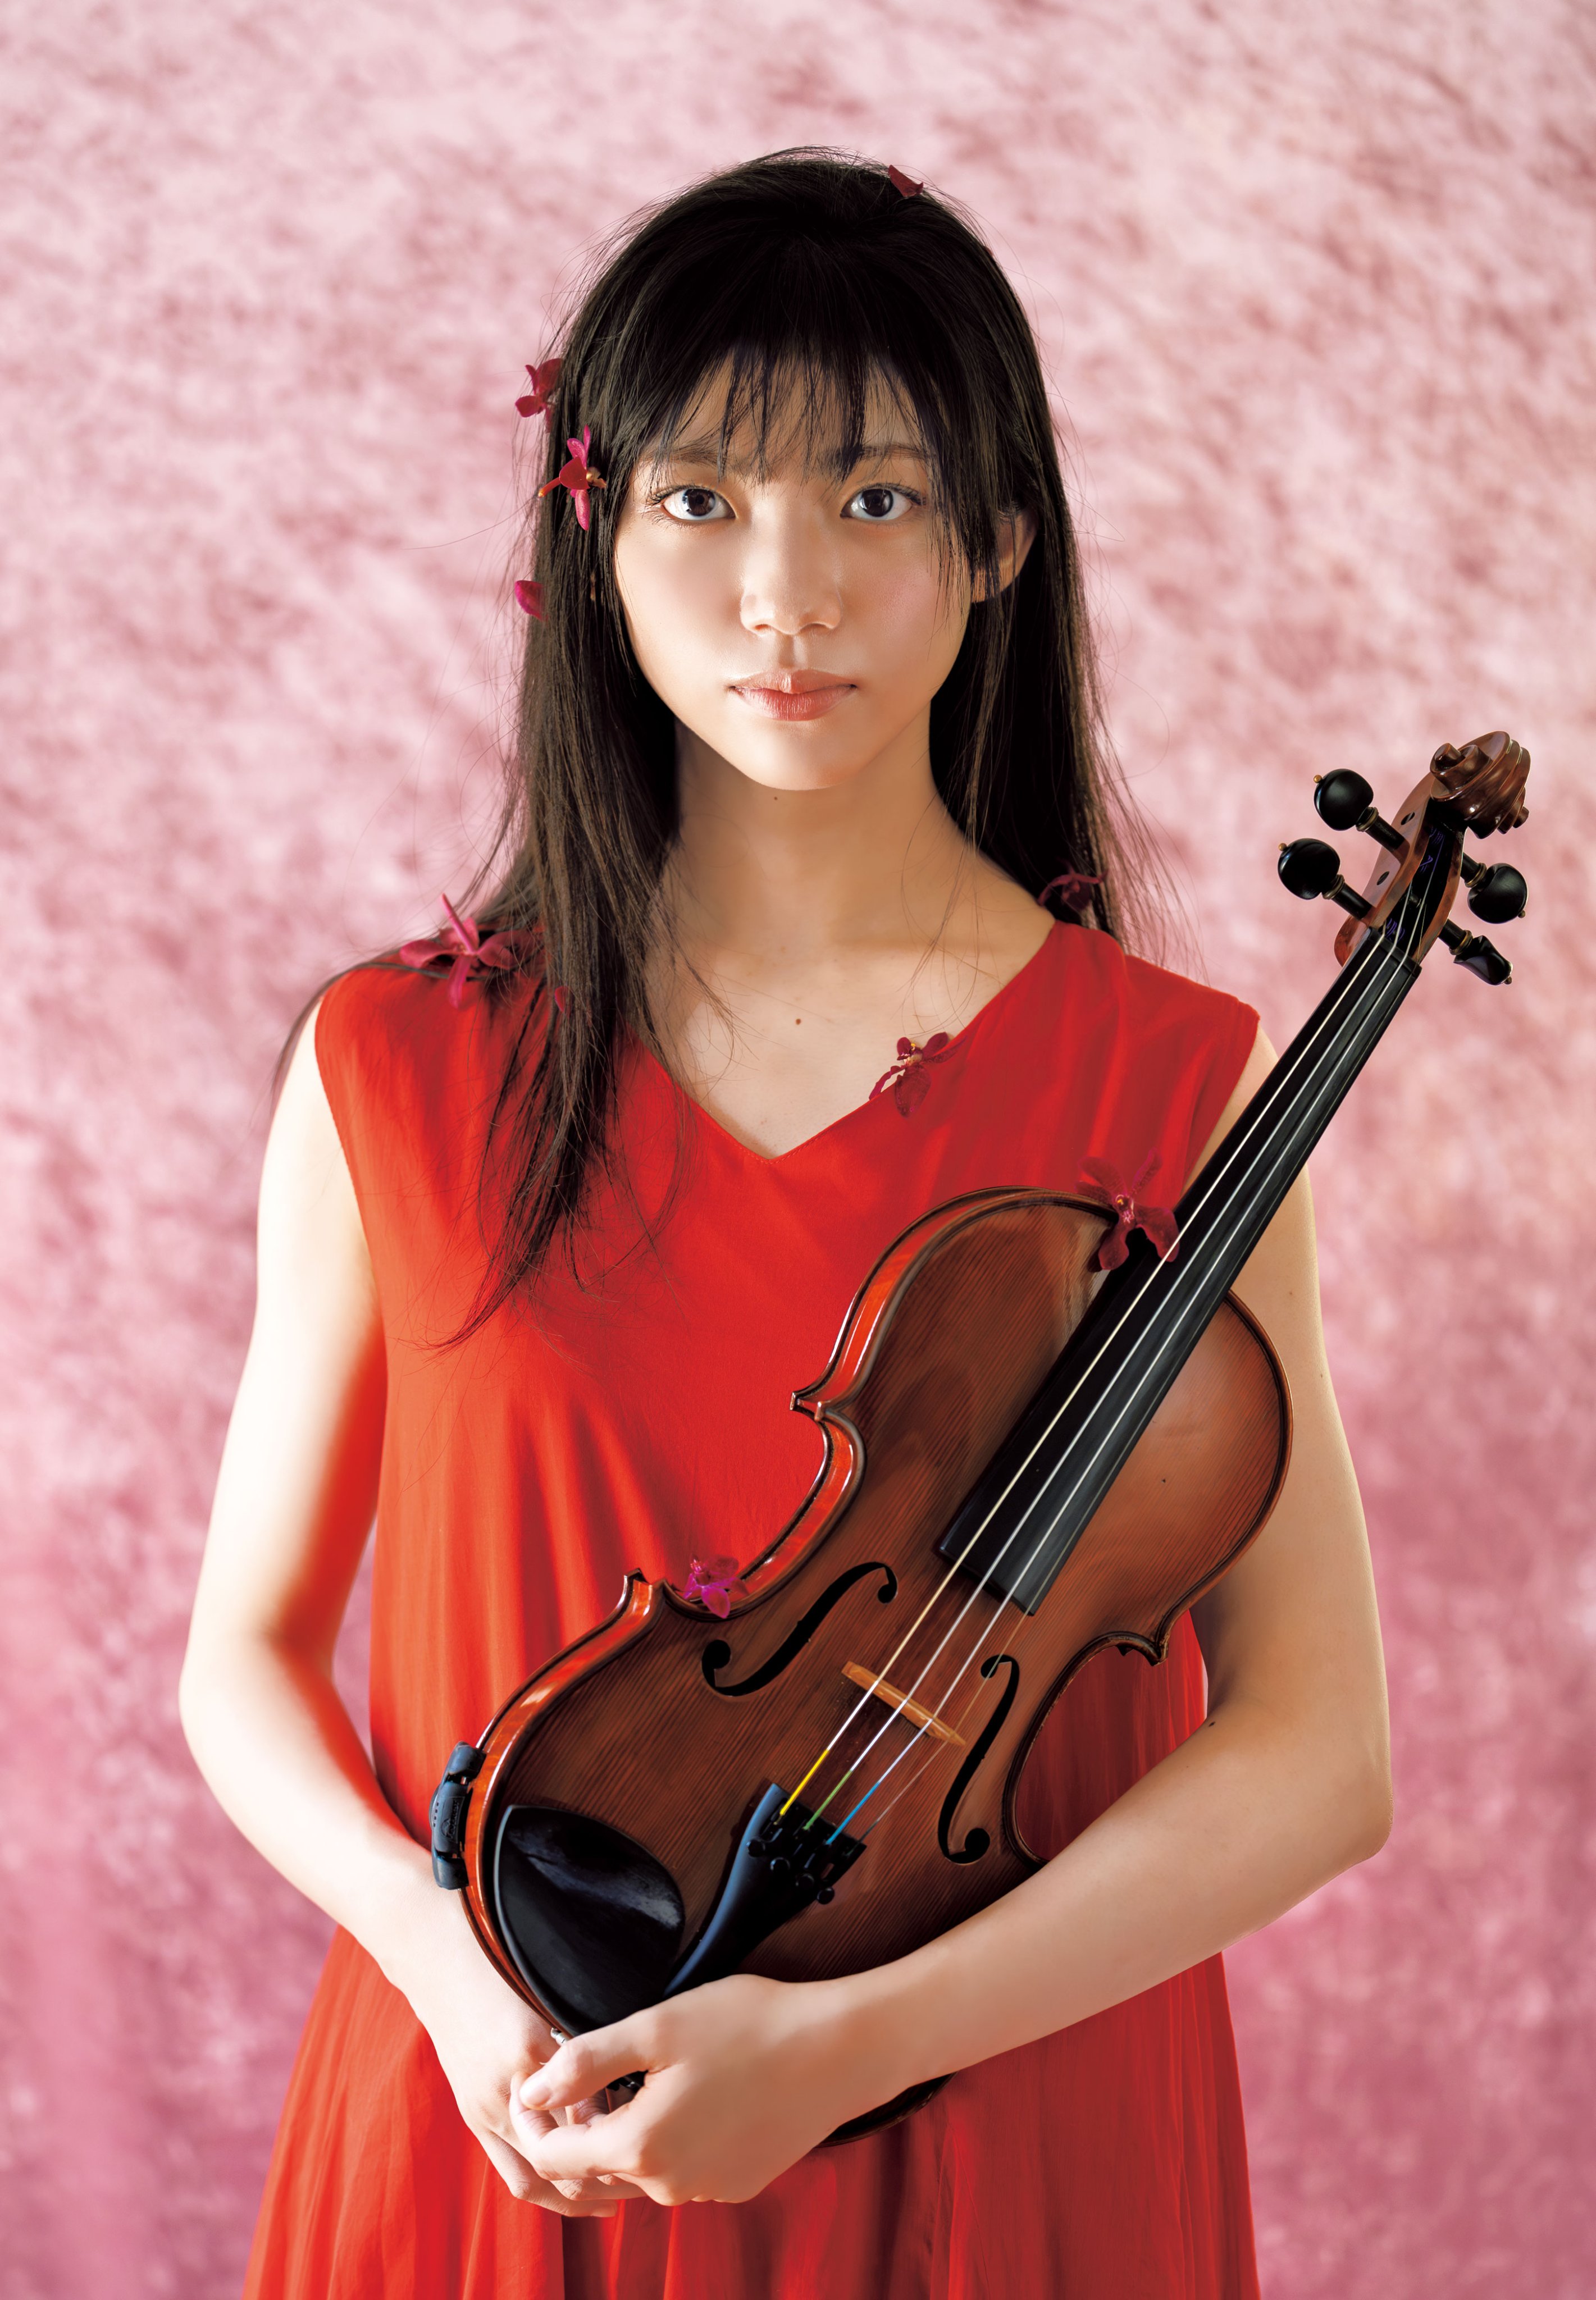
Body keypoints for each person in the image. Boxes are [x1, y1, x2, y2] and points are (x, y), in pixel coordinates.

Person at [180, 150, 1392, 2299]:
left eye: (873, 498)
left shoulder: (1170, 1090)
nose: (782, 596)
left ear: (998, 536)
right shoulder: (391, 1064)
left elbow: (1314, 1753)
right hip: (502, 2118)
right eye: (698, 501)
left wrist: (852, 2042)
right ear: (592, 533)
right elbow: (247, 1657)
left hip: (995, 2142)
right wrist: (451, 1973)